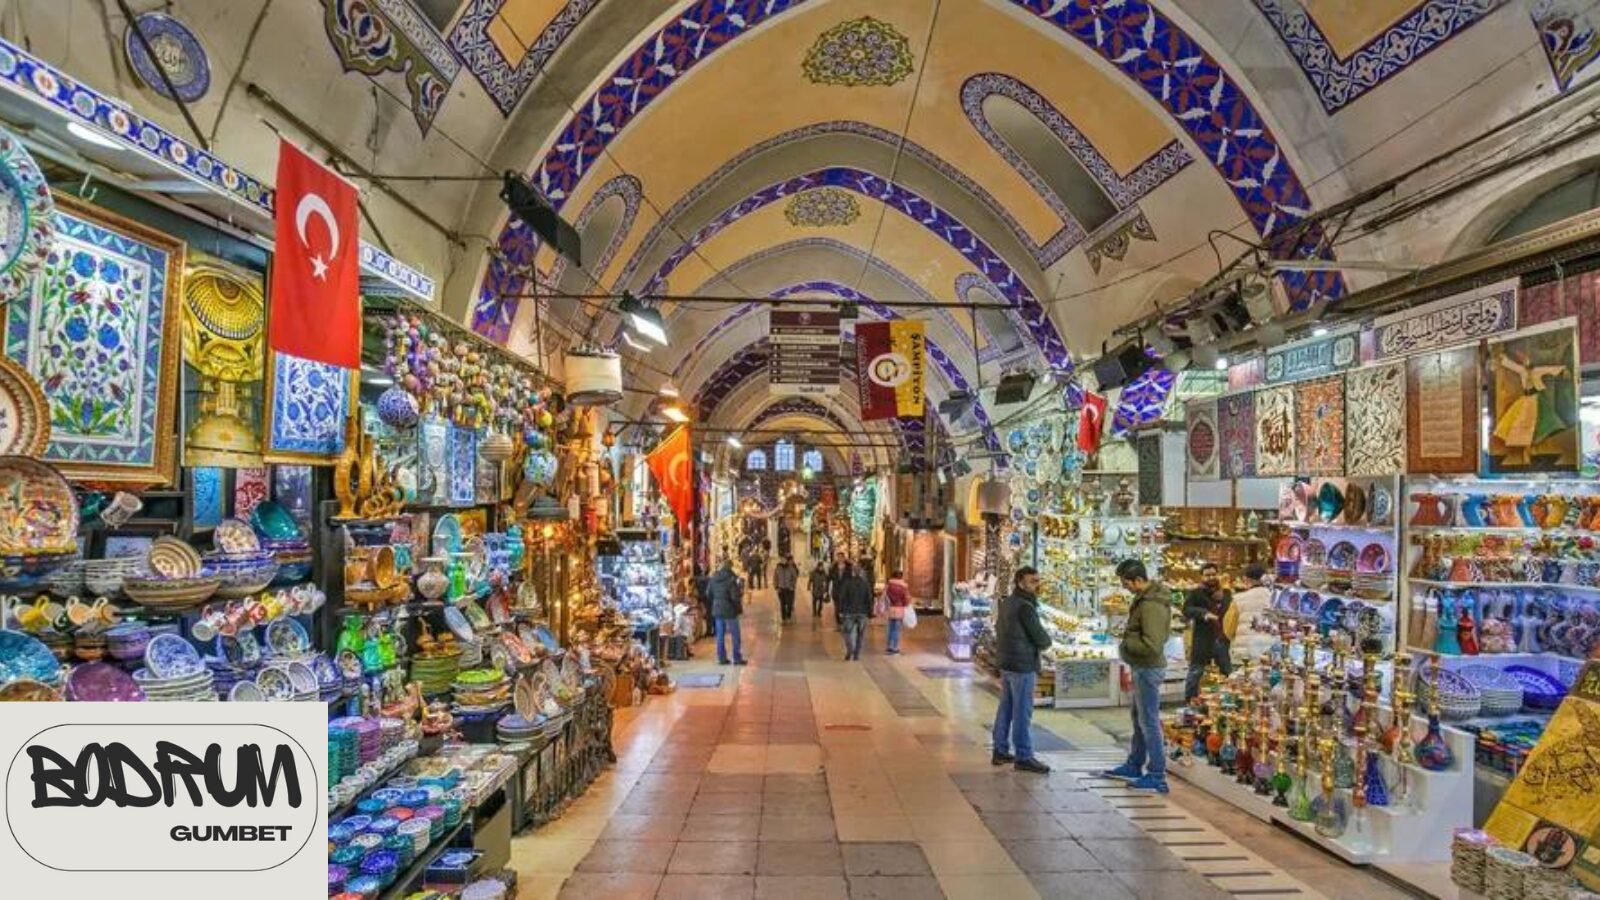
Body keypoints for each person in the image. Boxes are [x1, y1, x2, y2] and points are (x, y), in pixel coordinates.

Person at [1103, 559, 1173, 793]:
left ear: (1139, 580)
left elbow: (1153, 644)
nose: (1125, 588)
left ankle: (1157, 775)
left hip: (1148, 667)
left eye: (1126, 583)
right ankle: (1135, 763)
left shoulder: (1152, 605)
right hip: (1142, 667)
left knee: (1149, 721)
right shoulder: (1145, 600)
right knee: (1139, 718)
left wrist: (1128, 642)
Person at [991, 566, 1053, 774]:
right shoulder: (1025, 607)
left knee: (1006, 708)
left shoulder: (1008, 602)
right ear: (1020, 582)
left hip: (1007, 662)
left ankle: (1000, 749)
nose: (1037, 585)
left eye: (1038, 580)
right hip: (1022, 664)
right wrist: (1046, 642)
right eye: (1032, 581)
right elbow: (1041, 638)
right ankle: (1024, 756)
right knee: (1022, 712)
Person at [1182, 562, 1233, 702]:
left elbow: (1231, 611)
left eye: (1213, 574)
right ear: (1201, 577)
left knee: (1226, 672)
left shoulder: (1226, 593)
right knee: (1196, 671)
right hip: (1203, 639)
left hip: (1222, 639)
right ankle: (1190, 701)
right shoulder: (1195, 593)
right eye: (1207, 575)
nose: (1211, 577)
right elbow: (1186, 610)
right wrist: (1204, 614)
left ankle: (1224, 702)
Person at [1227, 564, 1274, 665]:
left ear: (1246, 579)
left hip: (1244, 655)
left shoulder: (1238, 599)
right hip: (1270, 653)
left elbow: (1229, 629)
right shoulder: (1275, 598)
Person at [707, 560, 747, 666]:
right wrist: (738, 607)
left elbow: (708, 593)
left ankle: (721, 658)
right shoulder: (732, 579)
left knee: (720, 634)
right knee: (735, 635)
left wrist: (715, 601)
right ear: (730, 567)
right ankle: (737, 658)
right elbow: (735, 597)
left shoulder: (714, 578)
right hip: (730, 611)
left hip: (717, 610)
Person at [836, 559, 872, 661]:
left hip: (849, 612)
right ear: (860, 573)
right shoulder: (865, 584)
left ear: (852, 572)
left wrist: (840, 610)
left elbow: (841, 597)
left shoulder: (847, 583)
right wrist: (869, 612)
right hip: (862, 612)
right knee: (860, 634)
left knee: (847, 632)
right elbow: (869, 598)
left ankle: (850, 649)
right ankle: (856, 654)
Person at [883, 570, 911, 654]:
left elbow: (884, 597)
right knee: (896, 629)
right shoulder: (903, 587)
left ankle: (889, 646)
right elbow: (906, 600)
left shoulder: (888, 586)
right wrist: (906, 604)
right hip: (899, 609)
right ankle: (895, 647)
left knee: (890, 628)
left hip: (890, 608)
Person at [773, 554, 800, 623]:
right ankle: (783, 618)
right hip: (781, 588)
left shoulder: (790, 568)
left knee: (789, 604)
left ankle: (788, 616)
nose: (783, 561)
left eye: (784, 559)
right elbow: (775, 578)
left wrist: (792, 586)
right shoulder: (778, 568)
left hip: (789, 588)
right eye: (782, 559)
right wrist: (776, 587)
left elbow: (795, 577)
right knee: (782, 604)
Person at [828, 553, 850, 628]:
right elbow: (829, 578)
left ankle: (843, 621)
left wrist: (849, 562)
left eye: (841, 557)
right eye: (838, 557)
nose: (840, 559)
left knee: (844, 607)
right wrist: (826, 591)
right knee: (837, 608)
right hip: (836, 591)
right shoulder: (833, 568)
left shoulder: (848, 568)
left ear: (844, 558)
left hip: (845, 591)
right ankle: (839, 622)